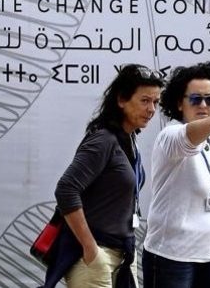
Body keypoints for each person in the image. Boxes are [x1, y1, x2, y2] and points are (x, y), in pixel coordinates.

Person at [42, 64, 164, 288]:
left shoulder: (129, 140)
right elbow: (66, 189)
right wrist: (90, 248)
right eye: (145, 101)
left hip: (123, 253)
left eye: (156, 102)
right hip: (96, 255)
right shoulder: (103, 140)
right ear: (122, 100)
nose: (151, 109)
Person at [142, 61, 210, 288]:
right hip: (171, 256)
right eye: (195, 99)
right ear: (179, 103)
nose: (204, 105)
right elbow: (187, 138)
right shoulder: (170, 136)